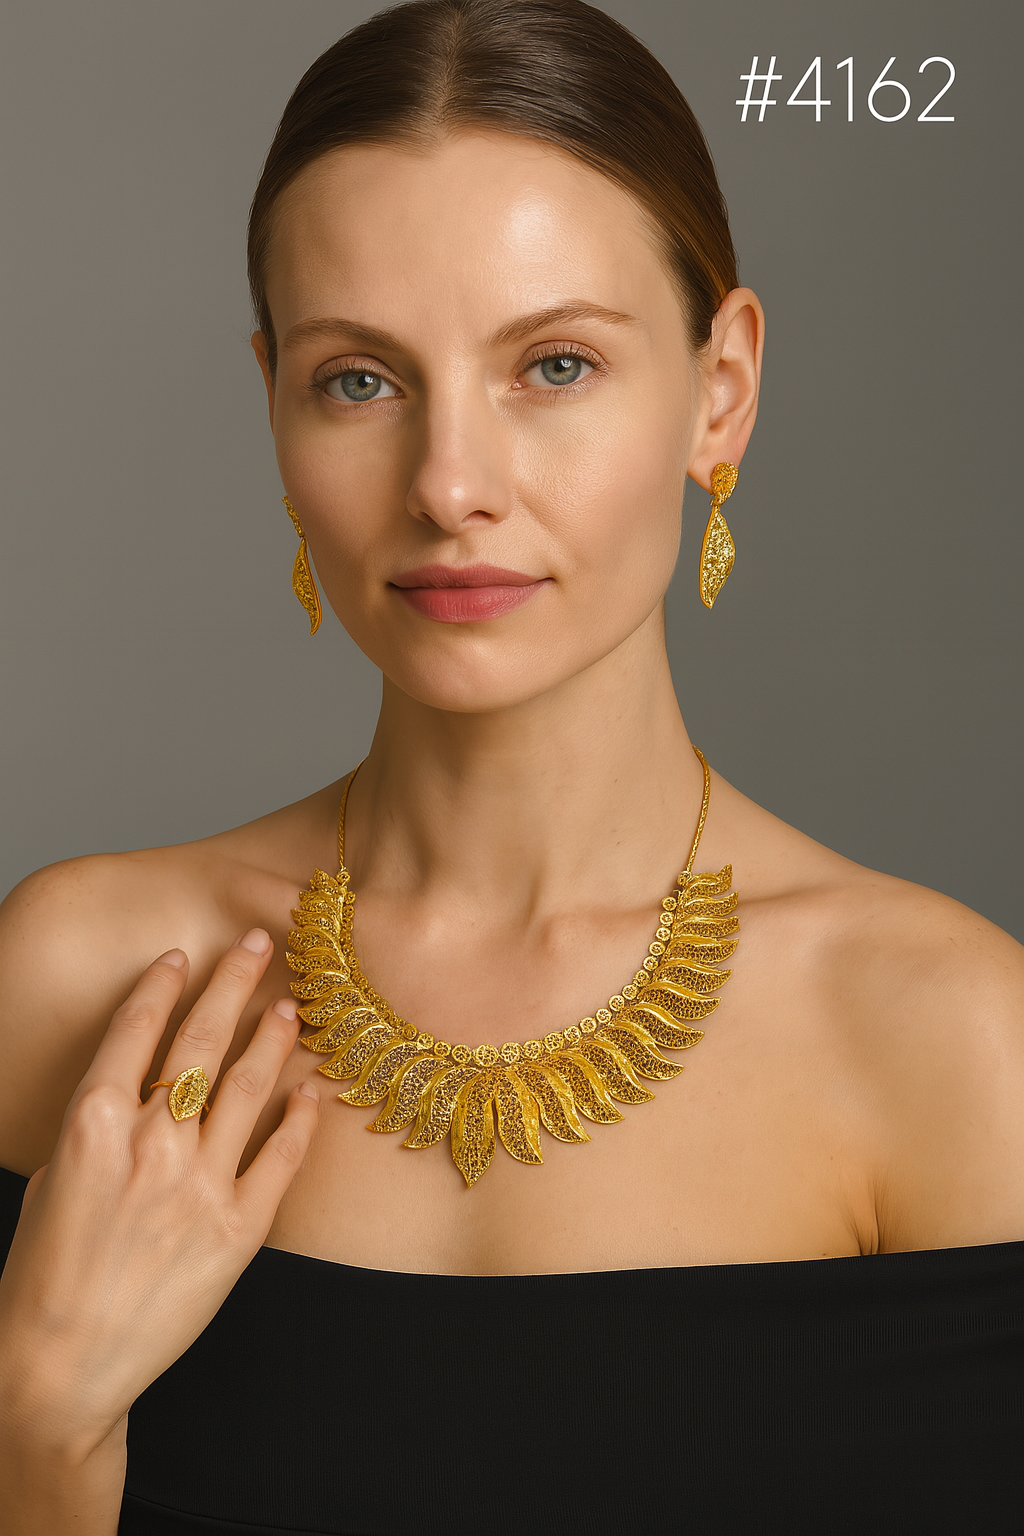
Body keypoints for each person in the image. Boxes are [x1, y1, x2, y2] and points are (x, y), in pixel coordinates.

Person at [1, 0, 1022, 1531]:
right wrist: (38, 1418)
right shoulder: (79, 984)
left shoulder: (950, 1045)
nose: (450, 485)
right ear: (273, 405)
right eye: (360, 379)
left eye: (554, 365)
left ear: (722, 391)